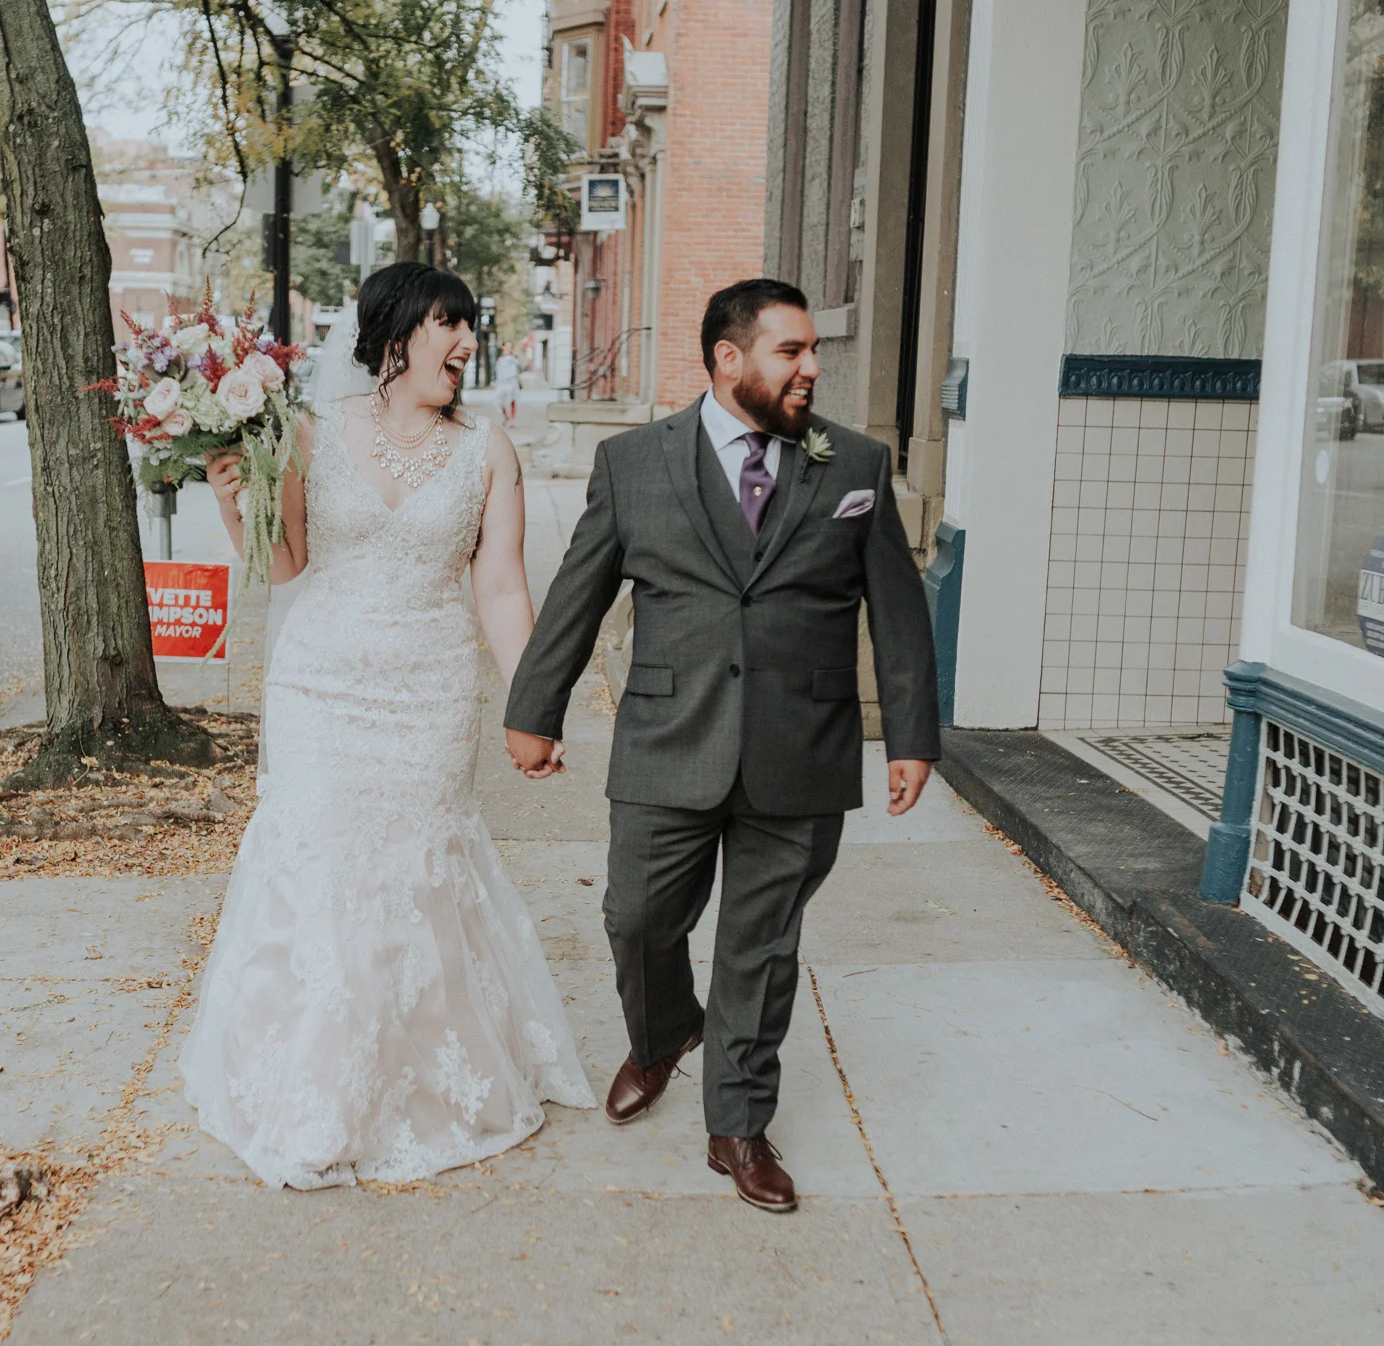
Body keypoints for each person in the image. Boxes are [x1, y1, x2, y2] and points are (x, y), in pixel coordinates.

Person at [503, 278, 940, 1213]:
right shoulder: (633, 463)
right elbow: (579, 593)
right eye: (791, 351)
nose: (812, 367)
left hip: (803, 745)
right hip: (668, 735)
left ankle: (737, 1124)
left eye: (814, 349)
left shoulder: (855, 465)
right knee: (636, 916)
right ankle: (663, 1034)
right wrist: (534, 708)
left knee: (760, 947)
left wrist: (912, 736)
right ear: (727, 358)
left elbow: (899, 613)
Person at [181, 262, 594, 1189]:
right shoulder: (309, 433)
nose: (467, 343)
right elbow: (282, 564)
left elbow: (501, 587)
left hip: (430, 693)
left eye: (469, 326)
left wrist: (534, 703)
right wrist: (230, 498)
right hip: (319, 688)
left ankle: (414, 1080)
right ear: (395, 334)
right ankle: (317, 1098)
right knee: (323, 869)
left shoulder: (487, 448)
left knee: (413, 873)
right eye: (450, 324)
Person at [494, 342, 521, 423]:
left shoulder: (515, 358)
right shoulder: (501, 359)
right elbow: (498, 370)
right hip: (502, 382)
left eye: (510, 347)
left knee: (512, 400)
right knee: (499, 400)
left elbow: (518, 367)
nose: (508, 348)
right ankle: (505, 416)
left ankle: (512, 419)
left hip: (512, 381)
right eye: (507, 346)